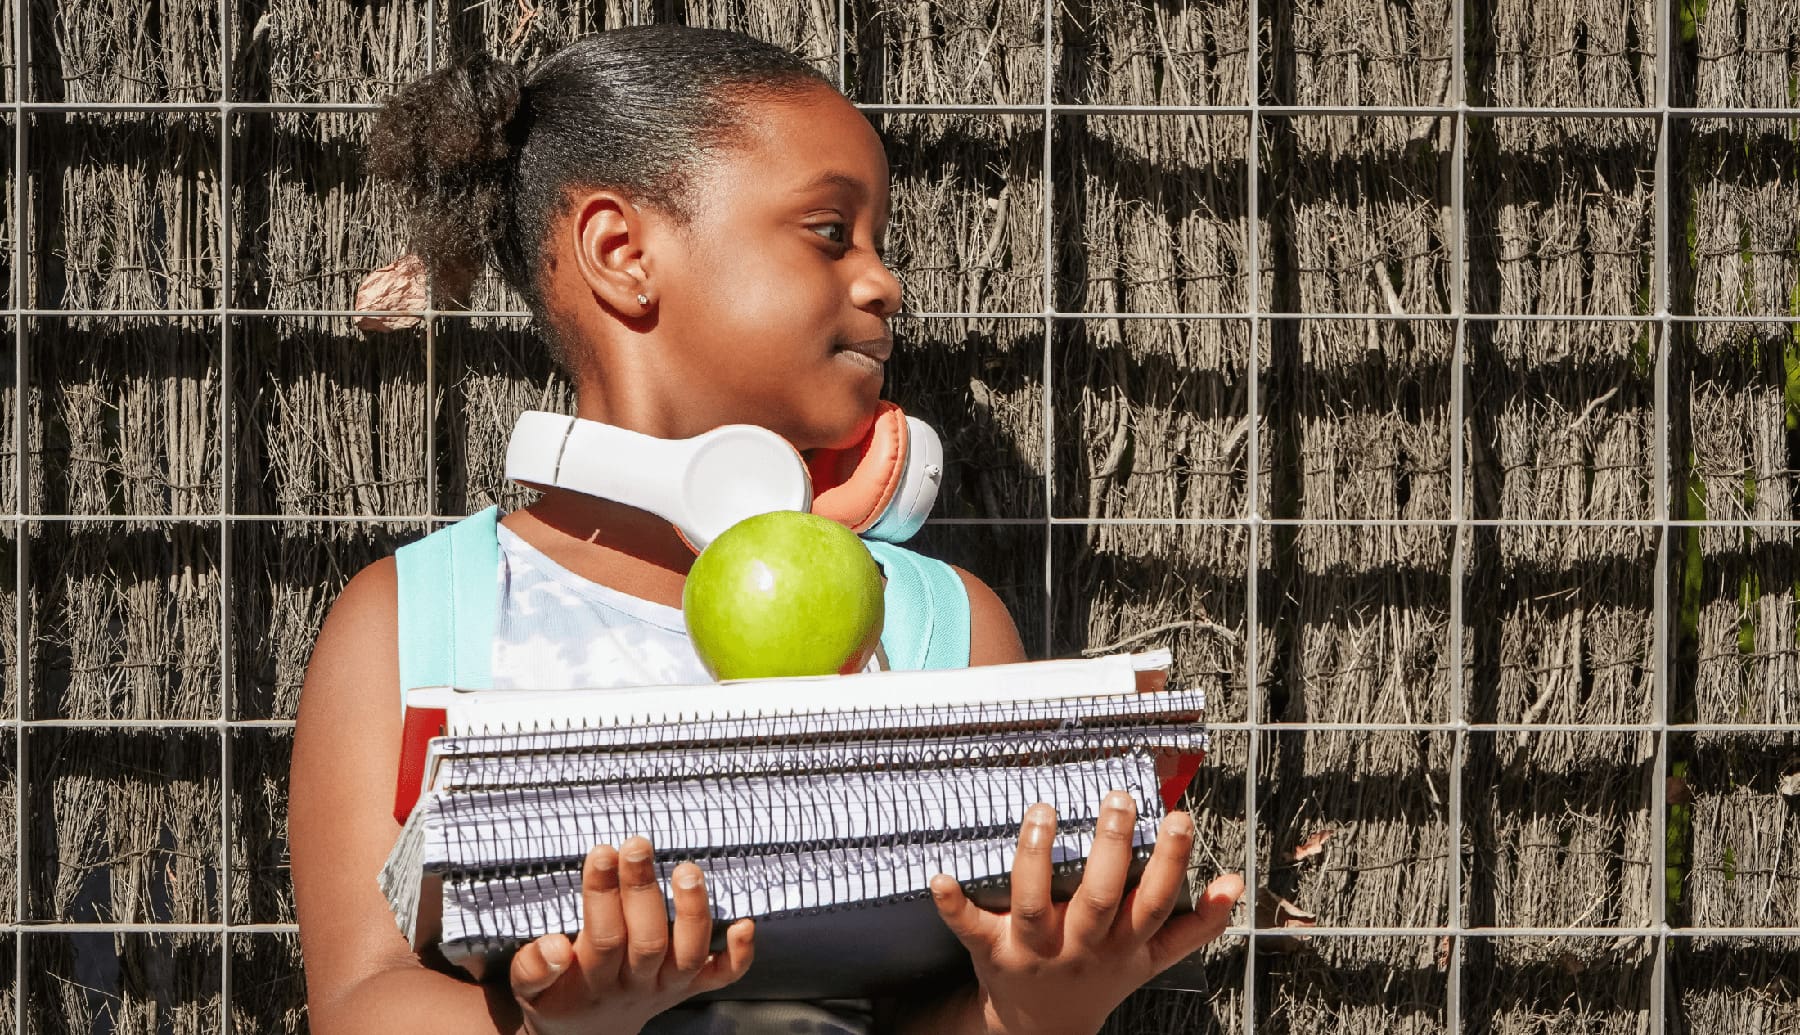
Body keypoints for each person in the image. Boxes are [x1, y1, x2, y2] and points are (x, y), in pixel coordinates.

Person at [289, 24, 1243, 1035]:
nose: (884, 282)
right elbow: (359, 996)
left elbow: (946, 1006)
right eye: (831, 230)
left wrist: (1031, 1008)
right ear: (621, 253)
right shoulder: (410, 617)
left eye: (878, 243)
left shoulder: (938, 625)